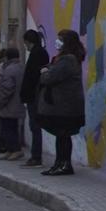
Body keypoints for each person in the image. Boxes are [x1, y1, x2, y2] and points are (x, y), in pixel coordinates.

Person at [36, 30, 87, 176]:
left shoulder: (68, 60)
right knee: (62, 135)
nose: (57, 42)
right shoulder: (68, 59)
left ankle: (64, 164)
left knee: (63, 135)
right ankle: (60, 163)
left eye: (60, 39)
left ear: (67, 43)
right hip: (65, 106)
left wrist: (45, 72)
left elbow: (50, 77)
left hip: (65, 107)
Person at [19, 28, 49, 165]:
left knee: (35, 126)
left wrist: (26, 94)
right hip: (34, 95)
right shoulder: (40, 53)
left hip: (34, 96)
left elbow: (32, 77)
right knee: (34, 126)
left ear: (28, 41)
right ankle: (35, 156)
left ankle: (36, 156)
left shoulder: (37, 54)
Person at [0, 48, 23, 157]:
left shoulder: (9, 69)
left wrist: (0, 101)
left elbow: (7, 88)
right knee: (12, 127)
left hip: (9, 104)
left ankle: (15, 150)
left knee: (7, 128)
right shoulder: (19, 67)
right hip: (15, 103)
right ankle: (10, 150)